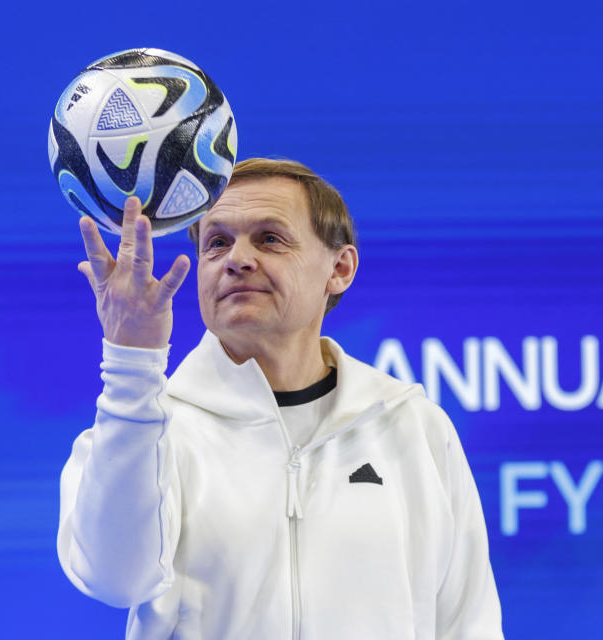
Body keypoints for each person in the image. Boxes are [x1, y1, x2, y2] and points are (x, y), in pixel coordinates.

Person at [58, 158, 504, 639]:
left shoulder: (412, 426)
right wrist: (131, 362)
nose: (237, 259)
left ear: (340, 268)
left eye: (269, 238)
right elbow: (113, 578)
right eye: (217, 242)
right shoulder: (149, 425)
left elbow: (469, 621)